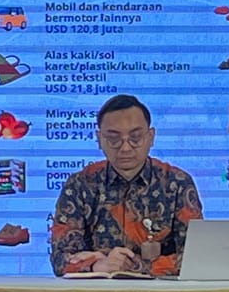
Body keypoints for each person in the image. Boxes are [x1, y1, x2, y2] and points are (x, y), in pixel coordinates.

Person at [50, 94, 204, 278]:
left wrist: (134, 267)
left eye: (135, 138)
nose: (125, 148)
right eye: (113, 139)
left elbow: (196, 258)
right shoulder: (80, 185)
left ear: (151, 137)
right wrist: (98, 265)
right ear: (99, 139)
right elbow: (60, 259)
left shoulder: (177, 183)